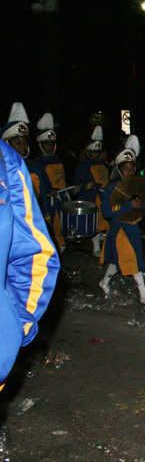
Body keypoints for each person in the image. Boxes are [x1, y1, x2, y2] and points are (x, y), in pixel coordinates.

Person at [0, 138, 59, 390]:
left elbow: (32, 253)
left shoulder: (7, 160)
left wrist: (16, 325)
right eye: (18, 141)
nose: (22, 146)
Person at [97, 136, 145, 305]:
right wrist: (128, 206)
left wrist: (141, 206)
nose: (129, 172)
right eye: (125, 169)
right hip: (120, 229)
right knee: (133, 259)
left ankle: (104, 282)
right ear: (118, 169)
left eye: (132, 169)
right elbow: (106, 212)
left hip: (133, 227)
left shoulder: (138, 186)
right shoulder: (112, 189)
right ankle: (143, 294)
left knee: (119, 261)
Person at [2, 103, 52, 225]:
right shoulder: (1, 169)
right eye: (17, 142)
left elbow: (42, 203)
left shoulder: (35, 168)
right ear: (6, 144)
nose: (22, 146)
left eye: (25, 143)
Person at [33, 113, 67, 252]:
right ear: (40, 145)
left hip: (61, 203)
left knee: (62, 234)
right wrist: (48, 191)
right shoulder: (36, 164)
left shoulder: (59, 162)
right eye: (47, 144)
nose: (50, 147)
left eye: (52, 144)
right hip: (47, 205)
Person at [74, 126, 110, 257]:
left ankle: (103, 244)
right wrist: (95, 185)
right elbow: (80, 183)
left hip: (104, 196)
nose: (97, 155)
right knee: (95, 223)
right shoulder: (83, 166)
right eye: (94, 152)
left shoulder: (104, 164)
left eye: (98, 152)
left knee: (103, 222)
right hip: (91, 197)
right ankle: (96, 247)